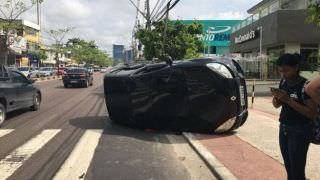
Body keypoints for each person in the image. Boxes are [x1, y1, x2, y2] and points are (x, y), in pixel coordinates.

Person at [271, 53, 317, 180]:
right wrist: (277, 99)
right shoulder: (283, 82)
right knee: (289, 166)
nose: (283, 74)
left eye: (286, 70)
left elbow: (312, 113)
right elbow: (277, 105)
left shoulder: (305, 86)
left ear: (296, 67)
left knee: (297, 169)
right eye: (280, 71)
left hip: (300, 130)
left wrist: (288, 100)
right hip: (284, 127)